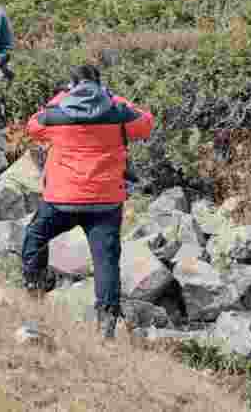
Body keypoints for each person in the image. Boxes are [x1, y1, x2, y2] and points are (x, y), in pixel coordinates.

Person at [20, 64, 154, 339]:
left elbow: (32, 126)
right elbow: (146, 122)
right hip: (105, 202)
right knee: (105, 261)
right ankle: (105, 323)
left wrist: (61, 97)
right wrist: (114, 98)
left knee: (35, 235)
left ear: (72, 85)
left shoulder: (58, 113)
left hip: (62, 198)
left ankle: (34, 287)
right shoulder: (117, 112)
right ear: (100, 85)